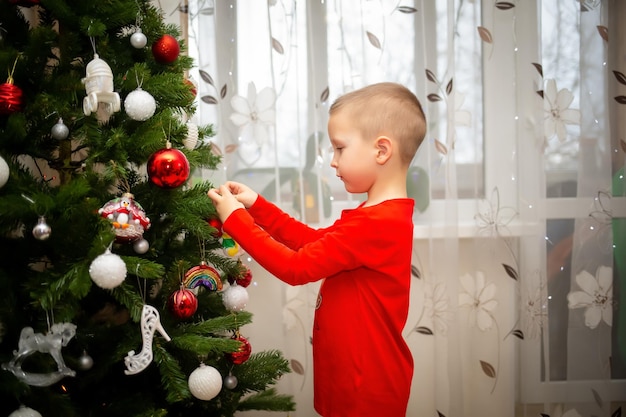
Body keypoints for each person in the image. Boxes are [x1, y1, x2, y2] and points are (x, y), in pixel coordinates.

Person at [208, 82, 427, 417]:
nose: (333, 161)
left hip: (366, 386)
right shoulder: (375, 217)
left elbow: (296, 268)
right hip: (353, 378)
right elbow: (311, 242)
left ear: (382, 151)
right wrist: (257, 207)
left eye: (340, 148)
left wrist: (237, 221)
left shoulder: (377, 223)